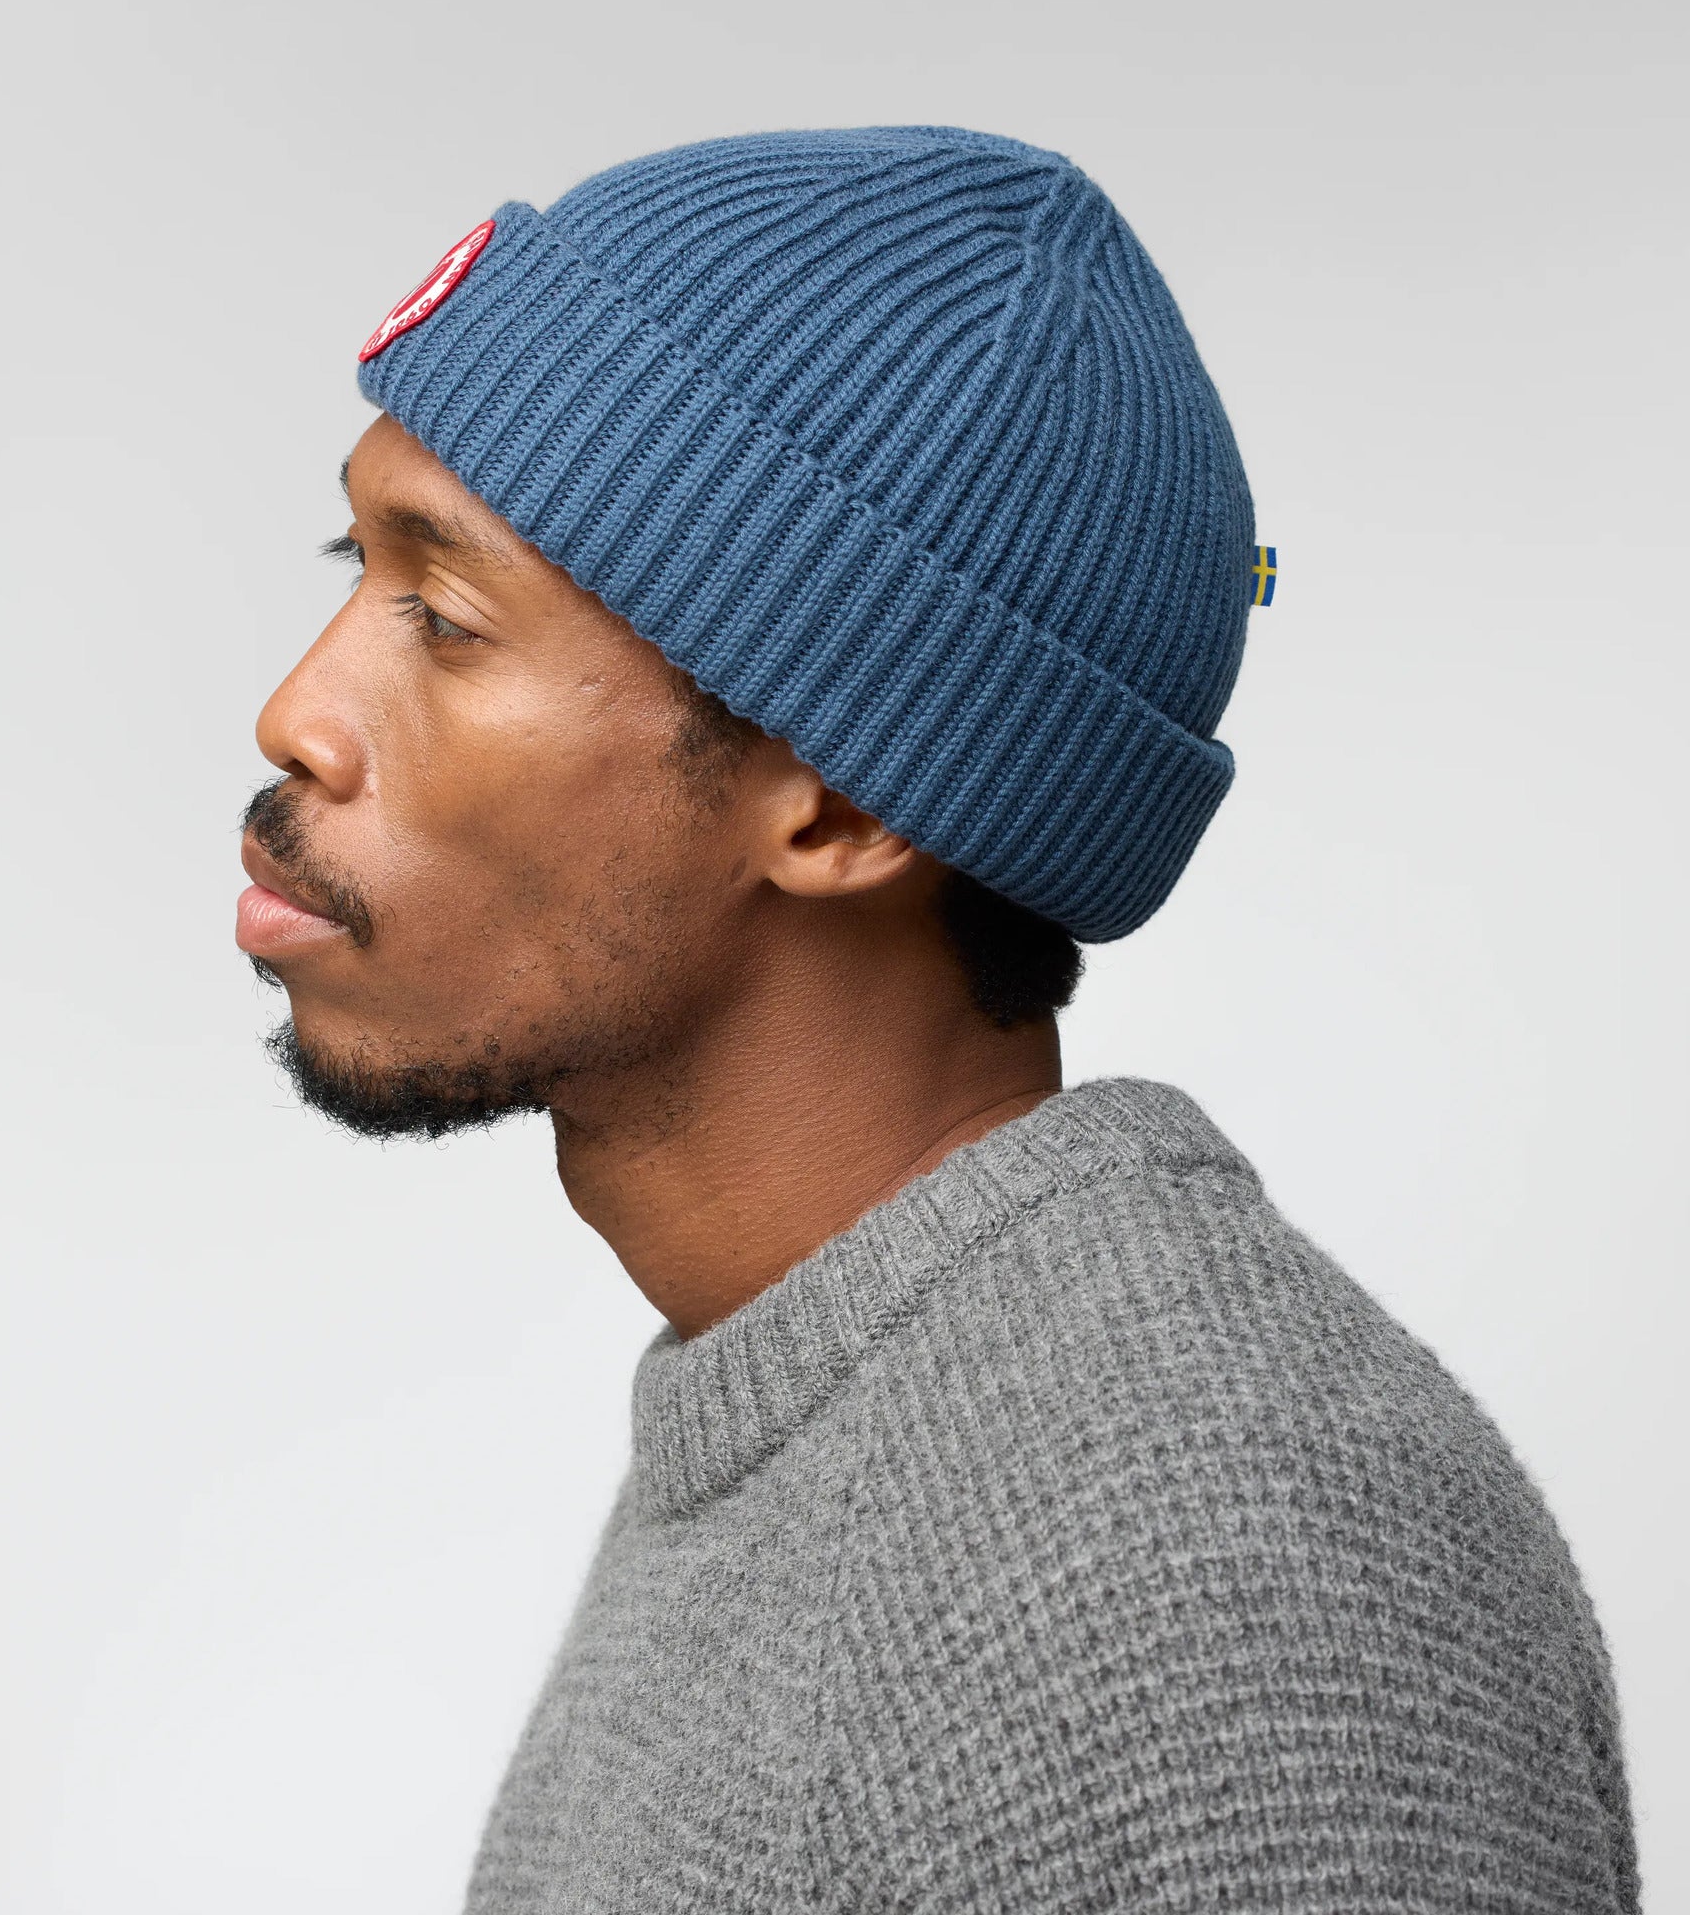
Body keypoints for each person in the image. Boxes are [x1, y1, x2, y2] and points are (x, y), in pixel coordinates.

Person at [235, 129, 1640, 1911]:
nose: (297, 714)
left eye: (444, 615)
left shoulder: (1202, 1565)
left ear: (841, 806)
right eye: (351, 562)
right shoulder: (859, 1427)